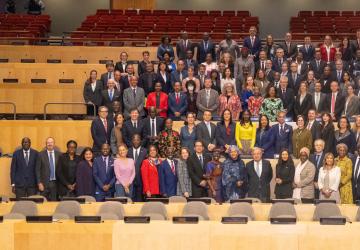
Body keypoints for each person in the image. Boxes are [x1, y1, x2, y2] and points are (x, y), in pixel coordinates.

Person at [127, 134, 147, 201]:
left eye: (137, 140)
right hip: (130, 181)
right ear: (132, 141)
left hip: (141, 181)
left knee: (139, 201)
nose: (136, 142)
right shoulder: (128, 151)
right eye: (134, 140)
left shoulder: (145, 151)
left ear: (140, 141)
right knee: (130, 201)